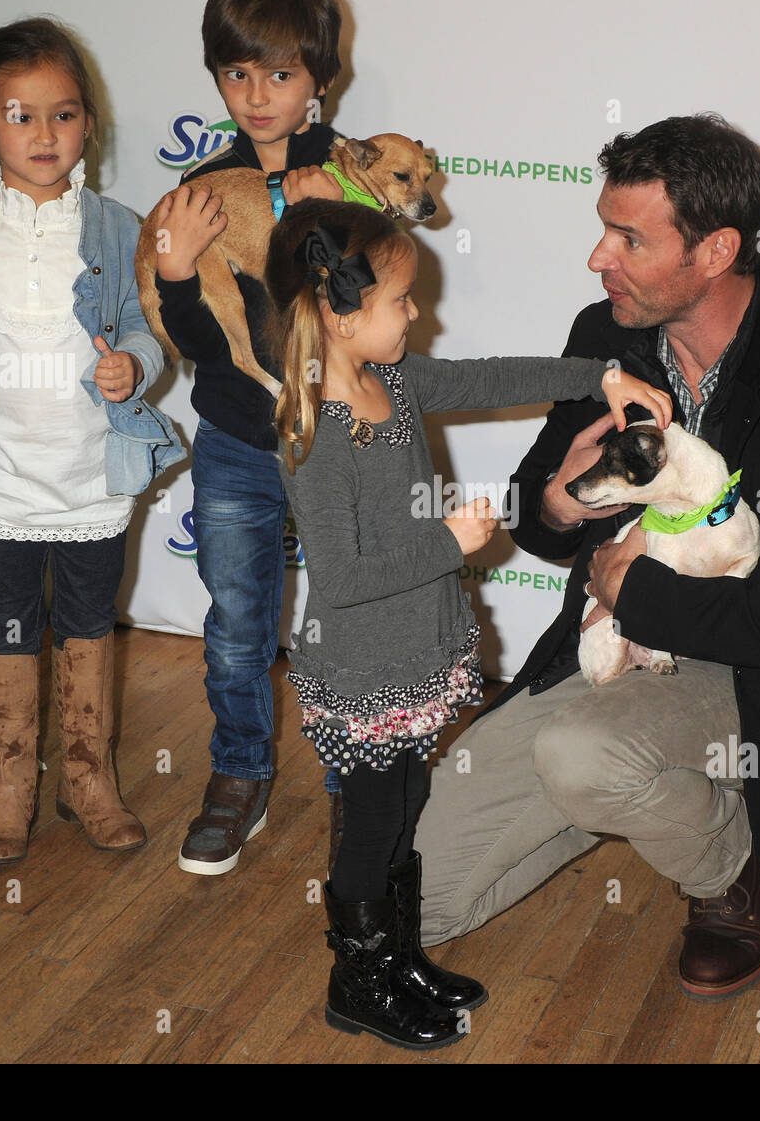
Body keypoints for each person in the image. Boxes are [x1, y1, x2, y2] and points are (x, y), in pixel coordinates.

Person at [414, 114, 760, 998]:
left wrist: (639, 592)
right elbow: (538, 513)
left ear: (716, 251)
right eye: (604, 228)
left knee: (583, 756)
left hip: (759, 674)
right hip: (613, 655)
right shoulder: (606, 335)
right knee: (416, 904)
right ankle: (645, 785)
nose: (598, 258)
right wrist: (559, 500)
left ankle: (726, 866)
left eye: (628, 238)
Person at [265, 198, 671, 1048]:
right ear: (341, 317)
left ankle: (399, 954)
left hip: (416, 652)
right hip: (365, 671)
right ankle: (357, 977)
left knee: (409, 800)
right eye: (401, 301)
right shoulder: (315, 437)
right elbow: (339, 581)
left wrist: (600, 374)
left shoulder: (396, 381)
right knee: (372, 818)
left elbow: (494, 378)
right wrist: (444, 540)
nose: (418, 314)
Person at [0, 19, 184, 864]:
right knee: (8, 628)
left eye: (62, 114)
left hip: (93, 477)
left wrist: (132, 365)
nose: (44, 134)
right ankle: (10, 786)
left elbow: (145, 328)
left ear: (87, 122)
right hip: (2, 479)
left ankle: (87, 780)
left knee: (91, 623)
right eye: (20, 116)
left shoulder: (118, 227)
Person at [148, 0, 351, 877]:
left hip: (345, 437)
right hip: (235, 441)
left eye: (280, 74)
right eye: (237, 74)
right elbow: (197, 339)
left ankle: (365, 784)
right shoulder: (199, 192)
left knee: (352, 617)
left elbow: (373, 324)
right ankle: (238, 776)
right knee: (236, 624)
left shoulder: (356, 174)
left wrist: (327, 237)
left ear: (319, 78)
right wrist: (182, 270)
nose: (258, 95)